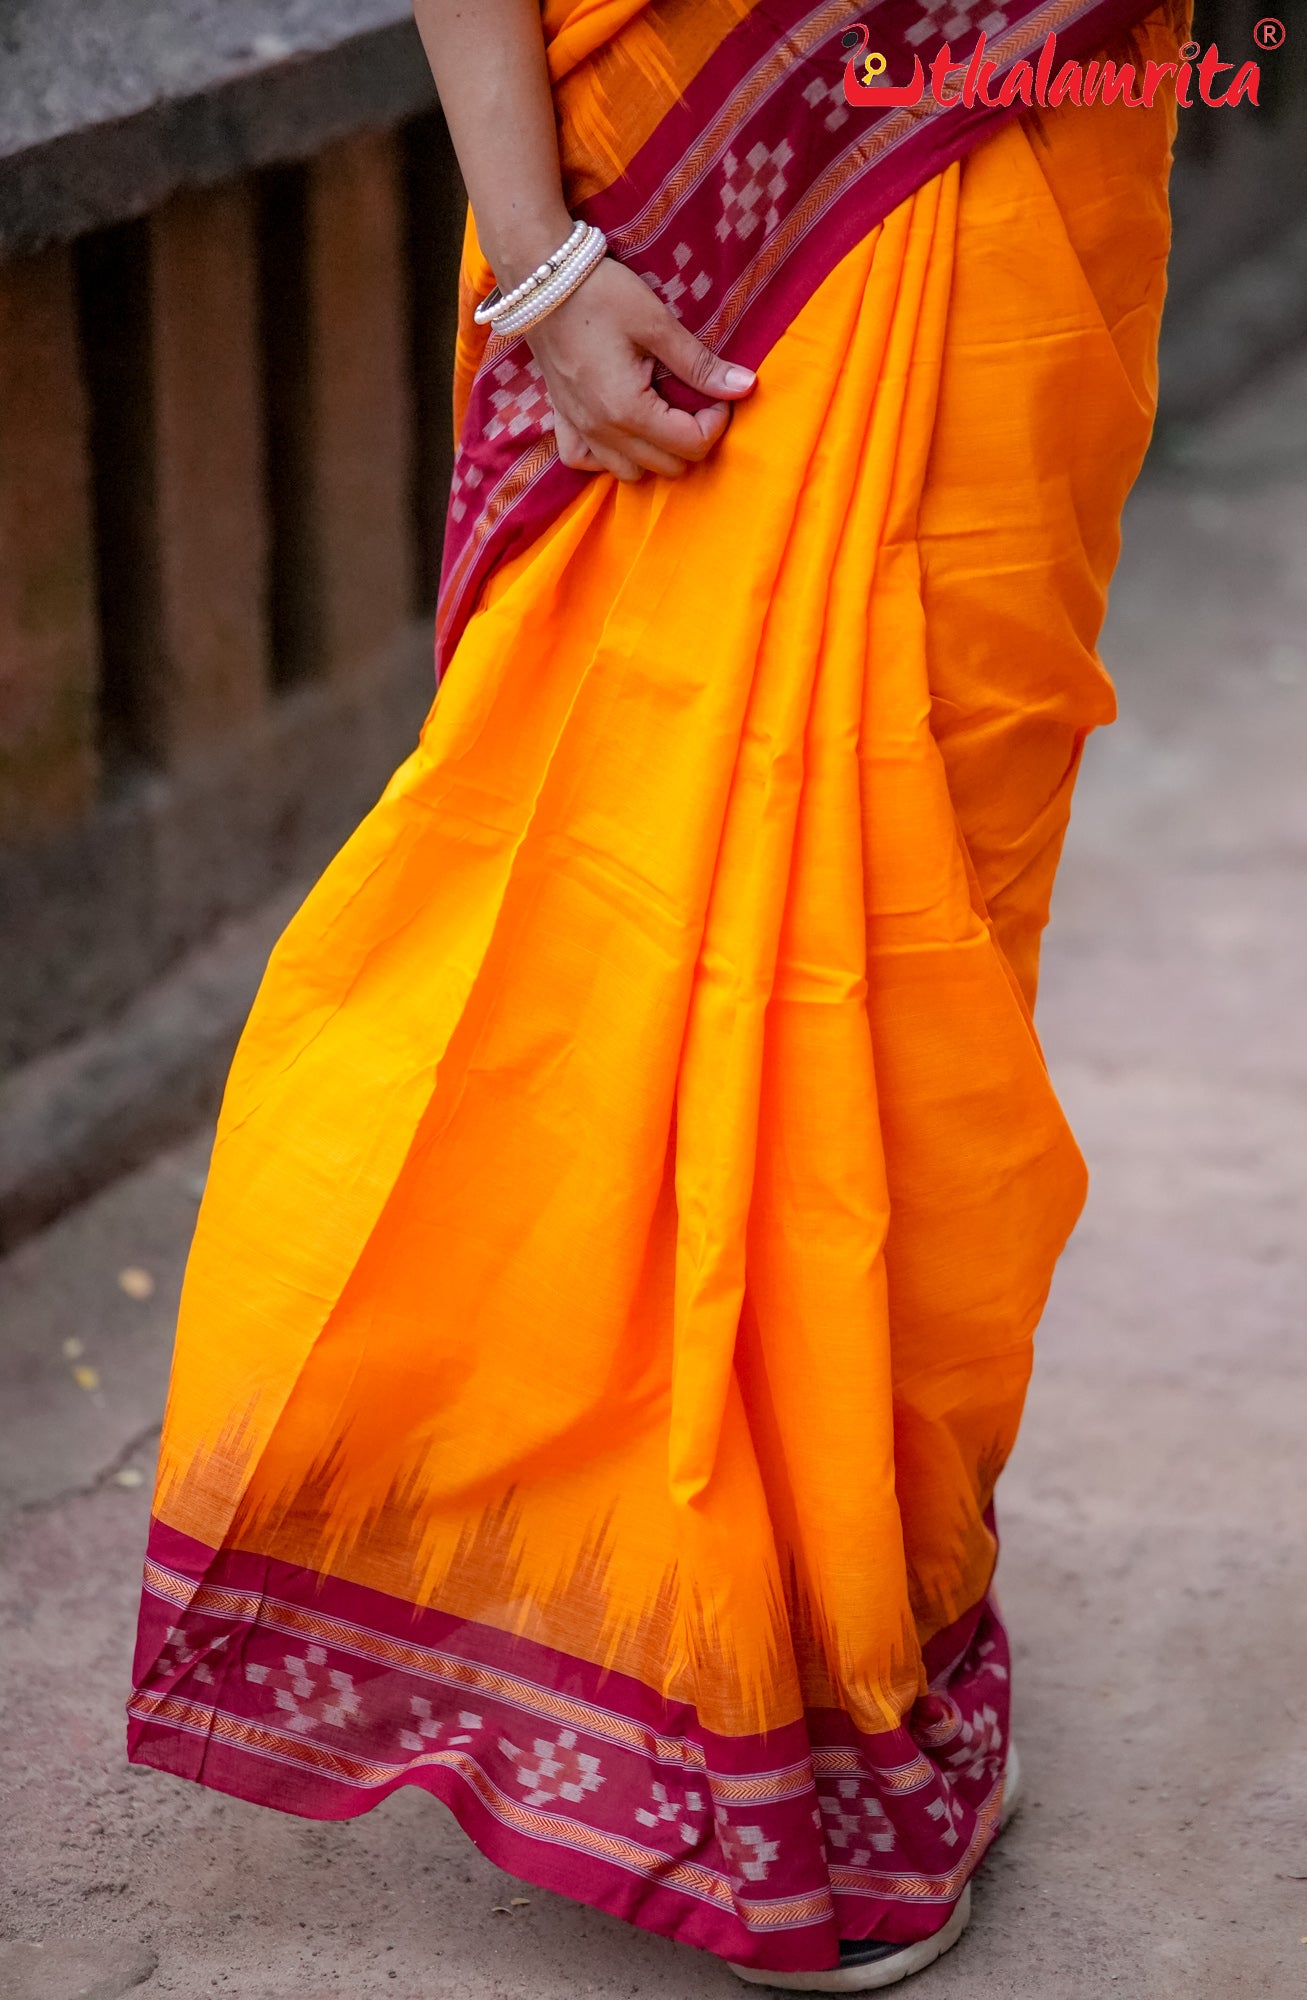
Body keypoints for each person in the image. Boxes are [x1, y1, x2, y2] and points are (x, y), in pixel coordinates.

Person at [127, 1, 1188, 1987]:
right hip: (674, 195)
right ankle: (722, 1676)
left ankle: (862, 1646)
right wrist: (538, 256)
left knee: (905, 945)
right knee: (626, 907)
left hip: (1002, 184)